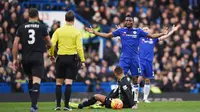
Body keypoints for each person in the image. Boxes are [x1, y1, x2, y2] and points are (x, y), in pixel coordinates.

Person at [85, 14, 168, 103]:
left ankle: (135, 99)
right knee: (119, 77)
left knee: (135, 79)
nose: (128, 22)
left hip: (135, 60)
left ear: (133, 22)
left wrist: (162, 33)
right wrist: (95, 32)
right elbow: (108, 35)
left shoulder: (138, 31)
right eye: (127, 20)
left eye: (130, 20)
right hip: (124, 59)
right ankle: (117, 97)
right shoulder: (121, 31)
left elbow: (151, 36)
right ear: (125, 21)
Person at [12, 8, 52, 112]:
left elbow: (15, 43)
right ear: (38, 16)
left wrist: (15, 59)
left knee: (30, 79)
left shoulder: (21, 27)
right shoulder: (42, 27)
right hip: (37, 57)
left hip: (25, 57)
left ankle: (34, 103)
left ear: (28, 16)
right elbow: (49, 42)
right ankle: (33, 106)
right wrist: (49, 47)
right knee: (36, 81)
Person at [48, 10, 85, 111]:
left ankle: (58, 106)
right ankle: (66, 106)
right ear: (73, 20)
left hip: (60, 58)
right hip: (72, 59)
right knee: (68, 83)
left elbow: (51, 43)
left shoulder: (58, 31)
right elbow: (79, 48)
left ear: (65, 19)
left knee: (59, 82)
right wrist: (82, 60)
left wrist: (51, 55)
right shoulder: (77, 31)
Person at [138, 25, 180, 103]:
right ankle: (135, 98)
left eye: (147, 29)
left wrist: (172, 31)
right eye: (144, 29)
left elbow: (165, 36)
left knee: (147, 80)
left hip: (149, 62)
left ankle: (145, 98)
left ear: (149, 30)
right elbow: (128, 39)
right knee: (139, 78)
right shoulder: (139, 38)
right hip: (141, 61)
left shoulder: (153, 39)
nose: (146, 30)